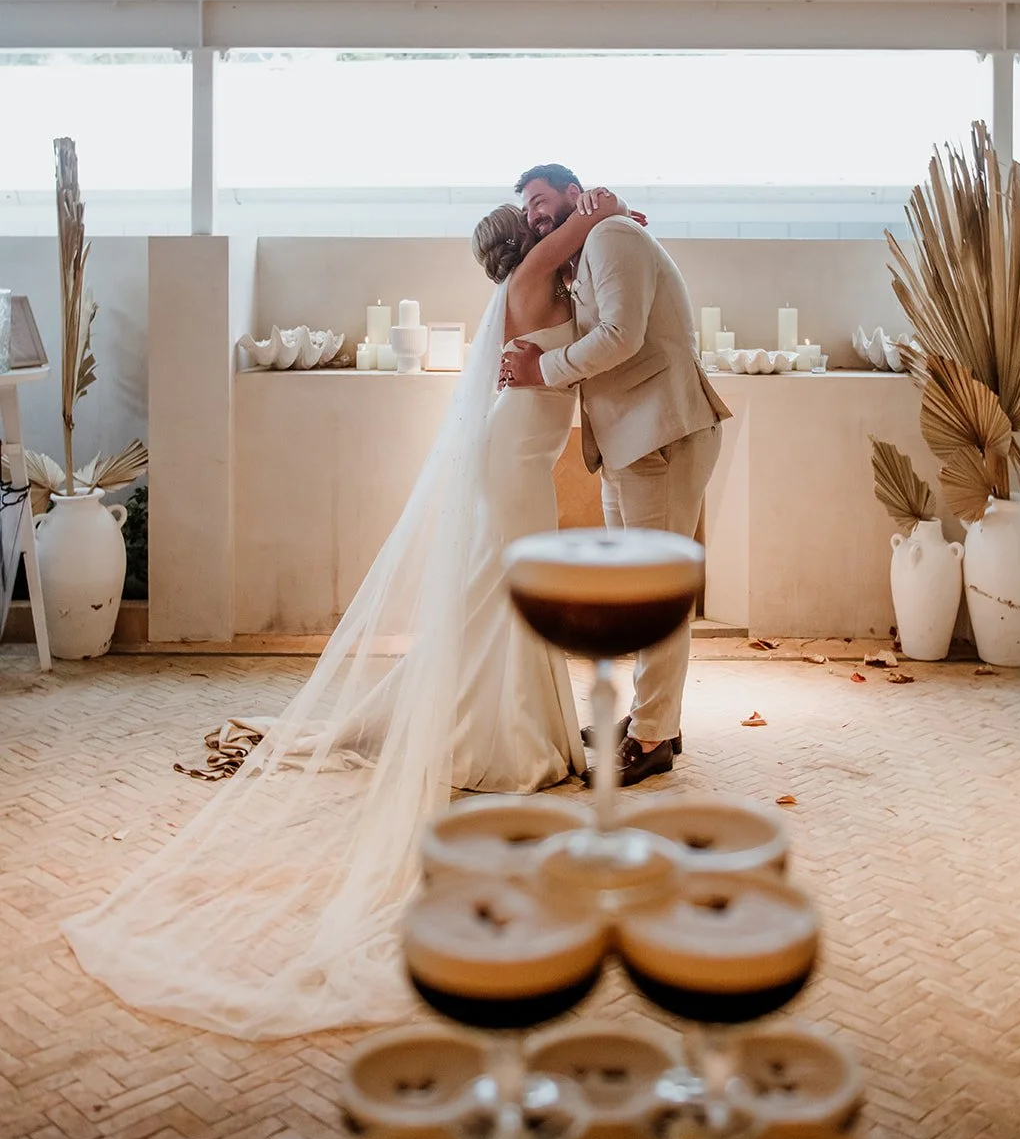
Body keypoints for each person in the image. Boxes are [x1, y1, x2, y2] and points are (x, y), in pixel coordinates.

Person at [62, 187, 638, 1039]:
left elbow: (590, 318)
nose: (550, 231)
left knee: (501, 591)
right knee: (504, 588)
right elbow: (573, 245)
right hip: (513, 459)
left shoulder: (549, 291)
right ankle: (496, 737)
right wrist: (604, 205)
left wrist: (591, 230)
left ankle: (516, 725)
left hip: (520, 452)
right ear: (523, 246)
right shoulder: (526, 286)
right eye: (538, 224)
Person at [500, 164, 731, 786]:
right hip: (629, 440)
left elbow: (622, 336)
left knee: (655, 588)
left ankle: (654, 735)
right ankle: (655, 717)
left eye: (542, 201)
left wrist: (541, 371)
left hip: (662, 433)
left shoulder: (611, 237)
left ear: (576, 194)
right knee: (633, 588)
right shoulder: (588, 244)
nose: (535, 216)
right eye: (527, 212)